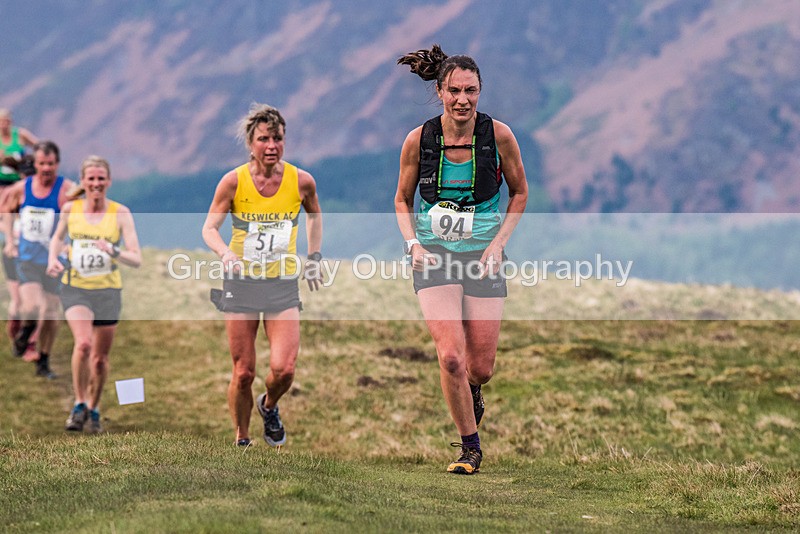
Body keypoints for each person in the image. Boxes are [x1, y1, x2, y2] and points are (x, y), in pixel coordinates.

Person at [395, 45, 528, 474]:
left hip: (484, 258)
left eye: (471, 90)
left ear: (479, 92)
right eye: (454, 90)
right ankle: (470, 447)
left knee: (480, 367)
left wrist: (497, 245)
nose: (462, 99)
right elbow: (401, 199)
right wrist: (413, 244)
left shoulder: (498, 136)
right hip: (435, 255)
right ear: (439, 92)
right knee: (450, 356)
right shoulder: (420, 139)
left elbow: (520, 192)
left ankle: (472, 390)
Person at [202, 103, 323, 448]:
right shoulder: (233, 181)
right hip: (241, 284)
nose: (271, 146)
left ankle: (269, 406)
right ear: (251, 143)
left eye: (278, 138)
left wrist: (313, 257)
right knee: (244, 372)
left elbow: (314, 216)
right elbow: (209, 228)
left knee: (284, 369)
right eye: (264, 139)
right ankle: (242, 438)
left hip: (282, 286)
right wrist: (225, 252)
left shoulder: (301, 181)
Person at [46, 155, 141, 433]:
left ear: (108, 181)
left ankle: (95, 406)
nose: (96, 183)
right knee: (84, 344)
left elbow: (136, 258)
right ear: (83, 181)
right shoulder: (70, 209)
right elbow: (56, 238)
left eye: (101, 178)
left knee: (99, 359)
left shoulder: (120, 213)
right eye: (91, 178)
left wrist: (113, 250)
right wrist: (53, 258)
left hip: (108, 292)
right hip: (76, 288)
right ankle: (79, 403)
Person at [1, 140, 76, 378]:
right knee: (31, 306)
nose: (46, 169)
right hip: (28, 258)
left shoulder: (66, 190)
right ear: (36, 163)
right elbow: (7, 211)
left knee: (52, 312)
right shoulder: (22, 189)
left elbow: (78, 216)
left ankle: (44, 359)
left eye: (51, 164)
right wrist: (11, 241)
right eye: (42, 163)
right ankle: (25, 331)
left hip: (55, 260)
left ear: (57, 164)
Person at [0, 108, 38, 342]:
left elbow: (39, 146)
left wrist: (26, 162)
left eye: (7, 120)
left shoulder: (19, 135)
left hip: (18, 182)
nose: (4, 124)